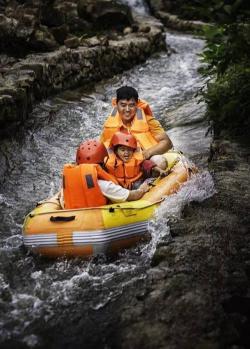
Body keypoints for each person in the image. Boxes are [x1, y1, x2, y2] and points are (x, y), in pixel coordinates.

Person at [61, 139, 151, 209]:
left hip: (73, 217)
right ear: (102, 161)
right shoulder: (104, 185)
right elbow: (133, 196)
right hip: (96, 220)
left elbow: (62, 199)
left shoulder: (67, 182)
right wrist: (142, 189)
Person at [100, 86, 173, 159]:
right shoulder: (109, 125)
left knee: (158, 160)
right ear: (116, 104)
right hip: (120, 163)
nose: (127, 109)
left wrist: (148, 152)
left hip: (147, 160)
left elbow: (167, 143)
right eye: (123, 105)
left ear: (137, 104)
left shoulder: (149, 120)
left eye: (131, 105)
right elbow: (101, 147)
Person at [105, 131, 170, 190]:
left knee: (137, 185)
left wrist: (160, 170)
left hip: (137, 183)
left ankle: (148, 183)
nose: (126, 152)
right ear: (116, 151)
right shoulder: (110, 162)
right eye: (122, 150)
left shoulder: (136, 159)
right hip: (120, 187)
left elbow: (148, 165)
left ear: (133, 151)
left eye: (129, 150)